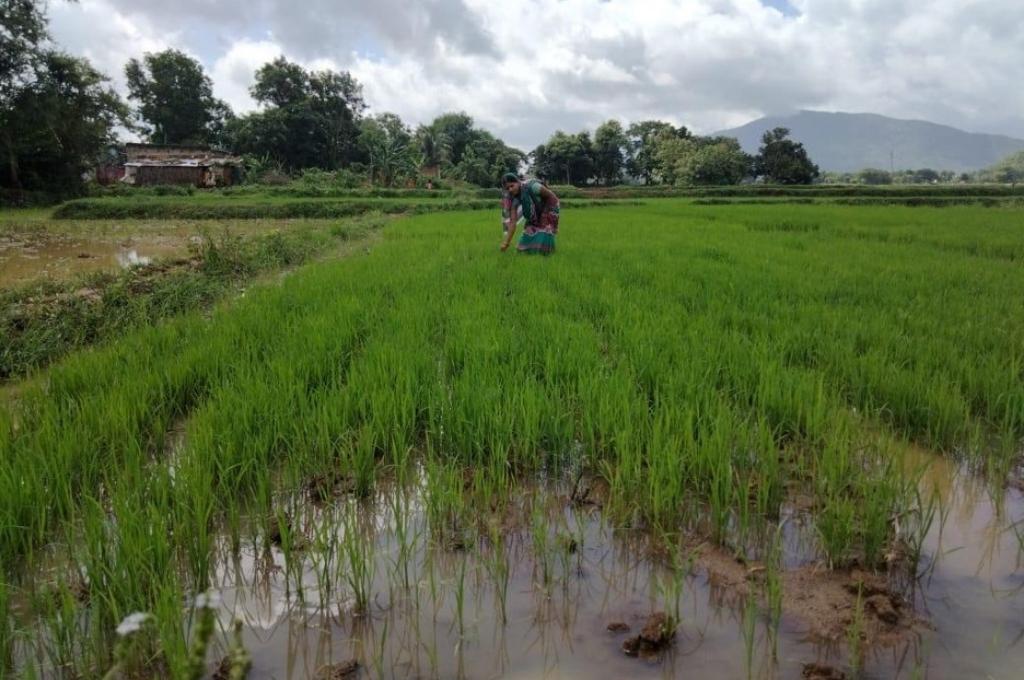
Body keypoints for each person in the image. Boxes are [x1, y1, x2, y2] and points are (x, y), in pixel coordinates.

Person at [500, 173, 559, 254]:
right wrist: (506, 243)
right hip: (534, 213)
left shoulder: (533, 187)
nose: (510, 189)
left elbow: (552, 197)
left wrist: (546, 216)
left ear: (518, 182)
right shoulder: (514, 199)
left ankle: (545, 253)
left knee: (544, 232)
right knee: (522, 249)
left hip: (549, 207)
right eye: (507, 188)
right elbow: (513, 222)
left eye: (512, 186)